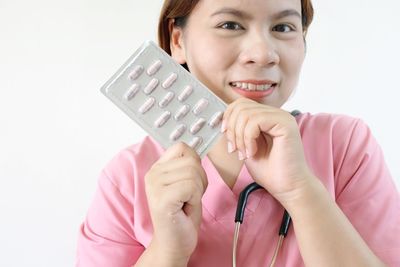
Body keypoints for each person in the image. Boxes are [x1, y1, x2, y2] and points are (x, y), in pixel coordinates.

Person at [76, 0, 400, 266]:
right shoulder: (126, 178)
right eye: (230, 25)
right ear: (177, 41)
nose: (262, 53)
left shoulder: (344, 146)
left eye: (283, 27)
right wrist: (168, 251)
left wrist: (302, 193)